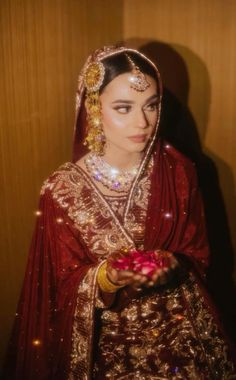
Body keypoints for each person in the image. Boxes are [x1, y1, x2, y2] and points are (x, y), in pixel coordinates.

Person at [3, 45, 236, 380]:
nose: (142, 122)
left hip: (183, 338)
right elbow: (56, 287)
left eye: (152, 105)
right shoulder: (62, 190)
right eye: (123, 108)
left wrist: (175, 264)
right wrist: (106, 277)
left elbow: (199, 254)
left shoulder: (179, 171)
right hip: (105, 347)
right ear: (94, 109)